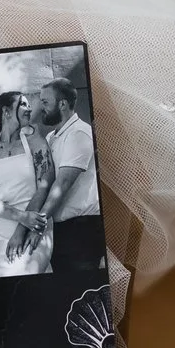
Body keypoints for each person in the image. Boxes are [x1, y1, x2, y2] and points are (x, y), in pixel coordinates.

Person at [26, 78, 104, 273]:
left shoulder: (79, 134)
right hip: (61, 229)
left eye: (45, 102)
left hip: (81, 229)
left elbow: (63, 183)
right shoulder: (52, 137)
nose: (41, 108)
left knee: (81, 284)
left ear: (62, 104)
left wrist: (38, 226)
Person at [0, 92, 53, 277]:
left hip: (33, 225)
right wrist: (21, 216)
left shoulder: (36, 143)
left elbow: (44, 187)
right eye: (23, 104)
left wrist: (23, 228)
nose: (29, 108)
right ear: (6, 111)